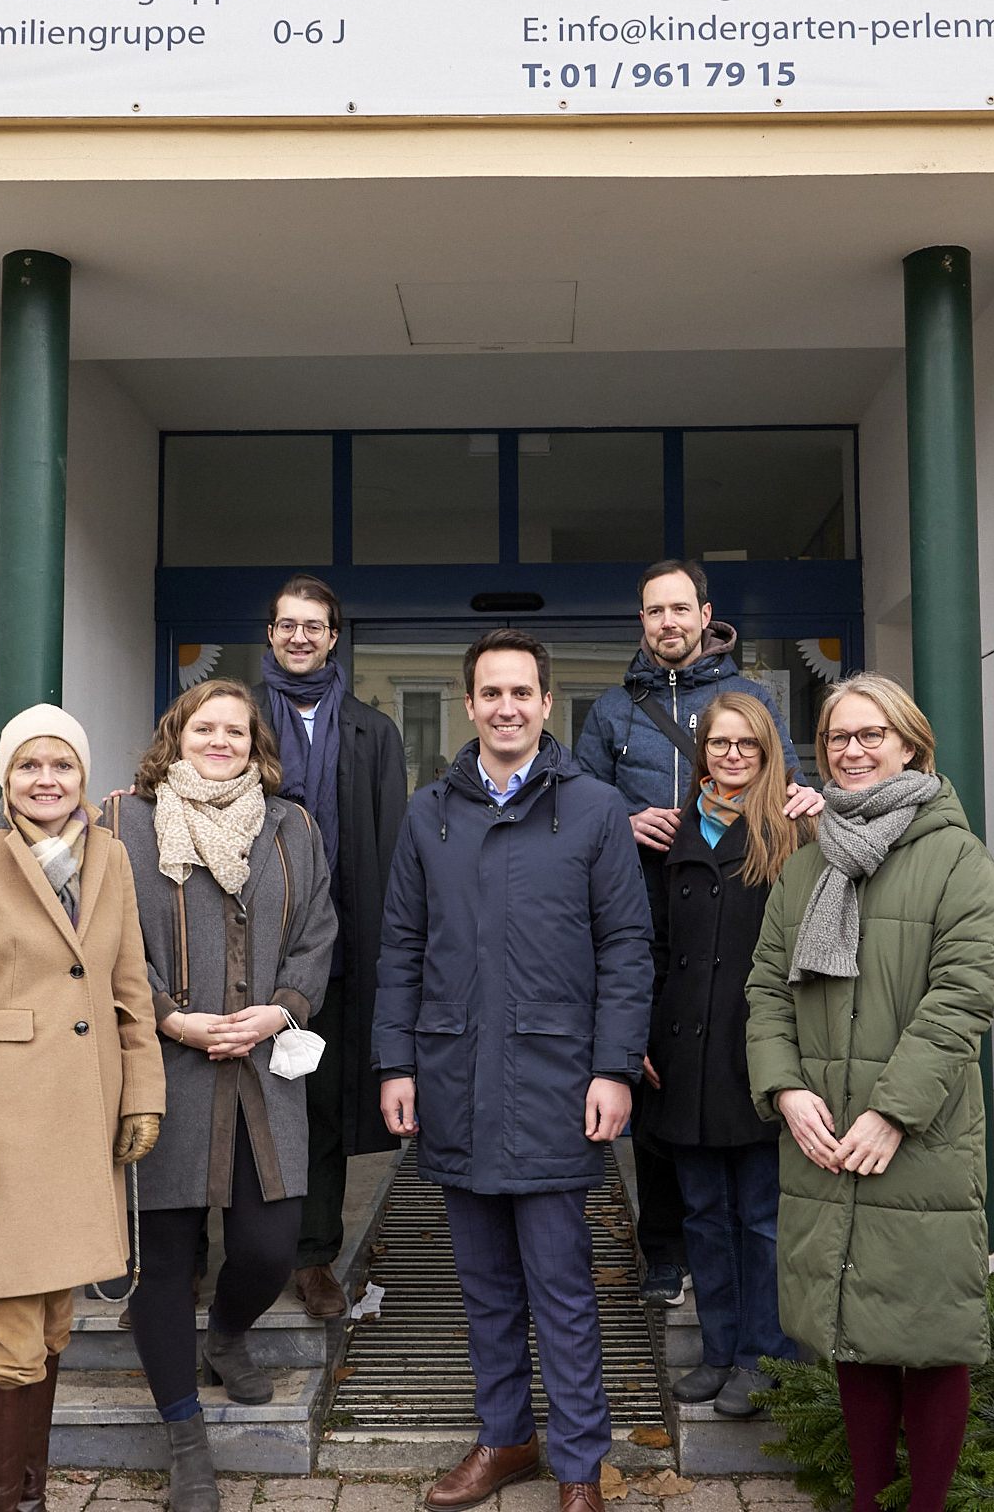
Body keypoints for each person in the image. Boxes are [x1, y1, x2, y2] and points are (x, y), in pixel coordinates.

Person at [375, 629, 653, 1512]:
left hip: (555, 1083)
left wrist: (613, 1067)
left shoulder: (596, 809)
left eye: (520, 693)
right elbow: (401, 947)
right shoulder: (430, 812)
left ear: (544, 702)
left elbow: (626, 947)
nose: (505, 707)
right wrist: (395, 1062)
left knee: (563, 1287)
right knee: (483, 1287)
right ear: (468, 705)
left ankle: (578, 1465)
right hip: (455, 1077)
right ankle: (504, 1441)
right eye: (489, 693)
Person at [744, 673, 994, 1512]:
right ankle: (867, 1501)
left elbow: (963, 995)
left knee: (927, 1339)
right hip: (822, 1132)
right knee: (853, 1338)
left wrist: (892, 1112)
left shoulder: (955, 856)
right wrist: (784, 1090)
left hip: (917, 1137)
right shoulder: (806, 864)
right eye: (837, 740)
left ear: (909, 746)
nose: (851, 752)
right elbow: (765, 991)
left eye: (870, 736)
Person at [0, 705, 165, 1512]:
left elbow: (130, 990)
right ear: (4, 775)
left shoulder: (112, 858)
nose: (46, 780)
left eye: (62, 766)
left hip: (85, 1122)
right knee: (11, 1339)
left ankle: (31, 1495)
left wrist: (143, 1094)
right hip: (3, 1130)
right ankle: (3, 1504)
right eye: (29, 765)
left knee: (53, 1326)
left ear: (82, 777)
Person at [108, 679, 338, 1512]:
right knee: (163, 1262)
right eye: (203, 727)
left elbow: (317, 930)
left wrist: (281, 1008)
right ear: (176, 735)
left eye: (234, 732)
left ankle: (229, 1336)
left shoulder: (290, 826)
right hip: (164, 1070)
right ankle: (184, 1441)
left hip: (264, 1069)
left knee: (271, 1246)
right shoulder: (124, 824)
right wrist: (175, 1021)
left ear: (255, 744)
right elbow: (106, 944)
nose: (219, 741)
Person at [574, 558, 821, 1307]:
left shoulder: (745, 698)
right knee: (659, 1086)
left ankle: (745, 1271)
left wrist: (807, 800)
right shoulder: (612, 710)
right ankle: (661, 1250)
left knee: (733, 1079)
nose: (668, 622)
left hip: (736, 895)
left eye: (679, 608)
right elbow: (579, 798)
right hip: (644, 905)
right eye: (654, 611)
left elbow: (780, 776)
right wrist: (621, 816)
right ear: (641, 621)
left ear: (703, 613)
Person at [643, 692, 809, 1420]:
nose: (732, 756)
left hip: (759, 1052)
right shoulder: (669, 835)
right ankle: (716, 1352)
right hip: (681, 1054)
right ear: (700, 752)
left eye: (747, 744)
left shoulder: (794, 833)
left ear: (768, 753)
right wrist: (641, 1037)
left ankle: (762, 1356)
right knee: (703, 1213)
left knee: (762, 1215)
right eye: (718, 744)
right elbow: (644, 946)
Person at [256, 573, 408, 1320]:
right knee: (220, 1115)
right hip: (242, 954)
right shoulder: (232, 716)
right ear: (270, 633)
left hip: (335, 954)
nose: (299, 637)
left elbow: (385, 851)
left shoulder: (372, 730)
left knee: (316, 1106)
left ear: (333, 636)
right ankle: (196, 1263)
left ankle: (313, 1258)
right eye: (287, 624)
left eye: (313, 625)